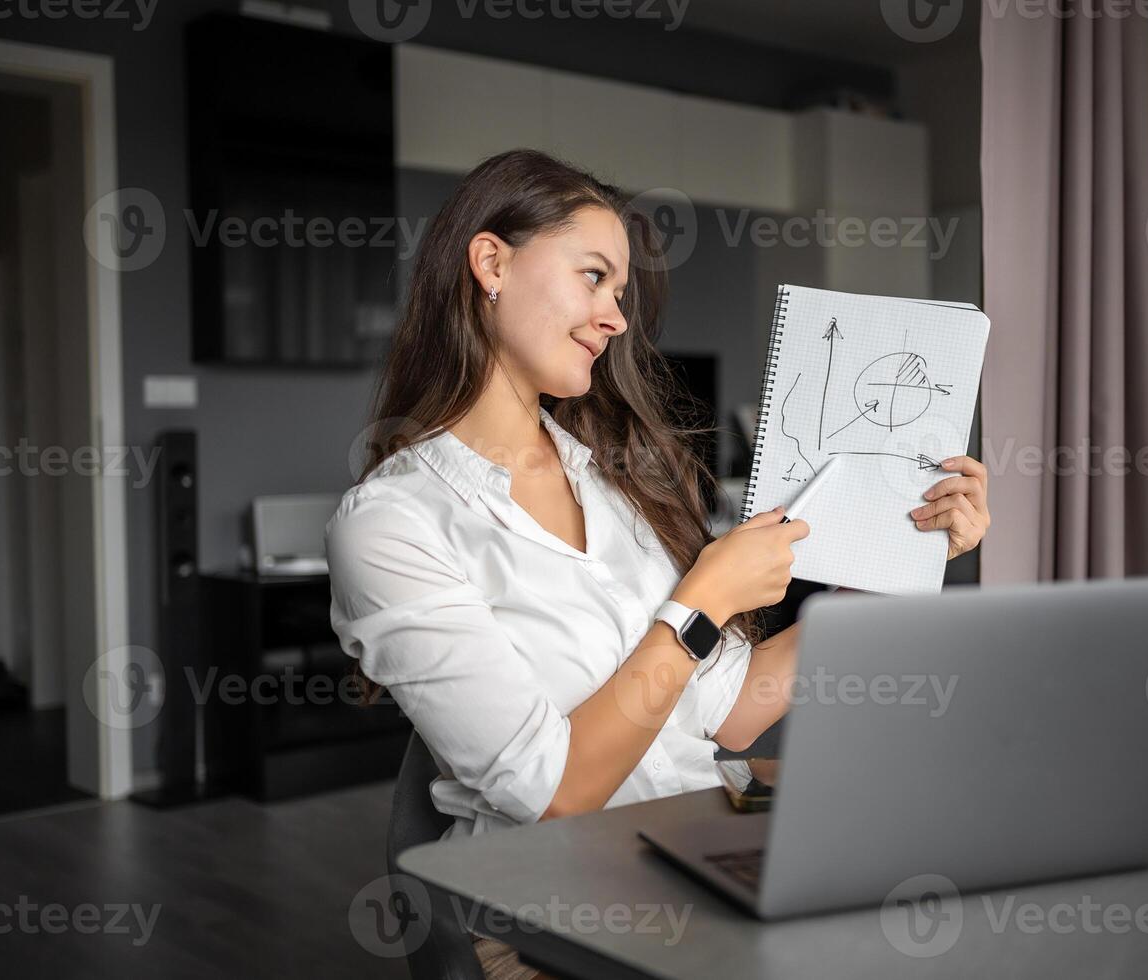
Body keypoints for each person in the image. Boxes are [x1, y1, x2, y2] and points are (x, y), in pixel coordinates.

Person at [326, 148, 991, 977]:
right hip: (552, 907)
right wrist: (699, 605)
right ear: (491, 262)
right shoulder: (394, 522)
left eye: (620, 294)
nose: (615, 318)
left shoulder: (611, 485)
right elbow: (553, 791)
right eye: (594, 277)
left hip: (691, 858)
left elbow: (734, 710)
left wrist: (896, 561)